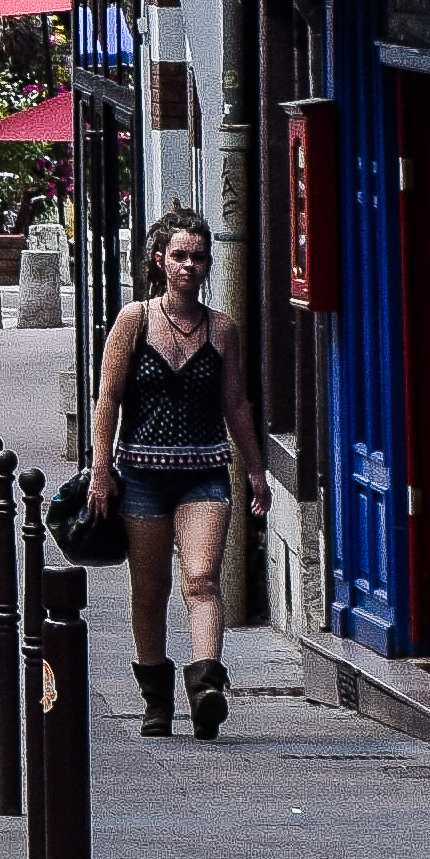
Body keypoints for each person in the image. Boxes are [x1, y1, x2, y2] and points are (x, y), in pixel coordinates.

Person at [89, 203, 263, 739]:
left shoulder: (223, 329)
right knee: (149, 590)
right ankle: (156, 701)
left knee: (202, 579)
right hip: (141, 473)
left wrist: (256, 471)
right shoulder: (133, 320)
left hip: (205, 472)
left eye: (199, 257)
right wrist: (101, 468)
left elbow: (236, 403)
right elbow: (108, 397)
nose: (189, 265)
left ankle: (207, 685)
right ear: (160, 259)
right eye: (180, 255)